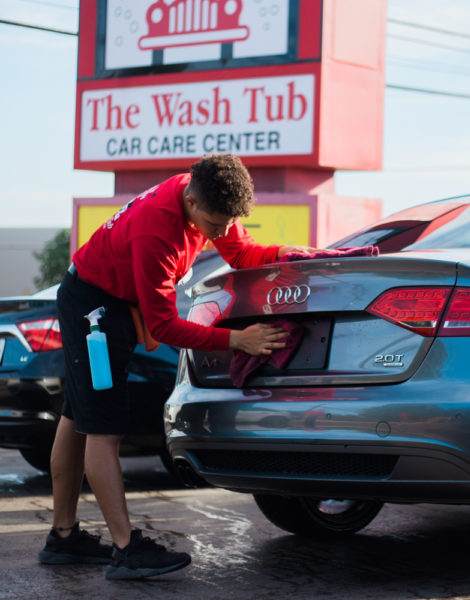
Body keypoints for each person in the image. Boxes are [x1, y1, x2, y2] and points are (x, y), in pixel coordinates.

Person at [38, 154, 317, 580]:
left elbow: (241, 253)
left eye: (227, 223)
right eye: (214, 224)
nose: (220, 233)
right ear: (190, 200)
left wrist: (288, 253)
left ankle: (62, 538)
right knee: (102, 426)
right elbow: (165, 326)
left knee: (77, 414)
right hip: (93, 309)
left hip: (107, 299)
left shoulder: (209, 191)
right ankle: (126, 549)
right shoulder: (157, 233)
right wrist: (237, 340)